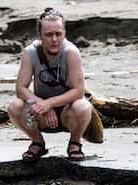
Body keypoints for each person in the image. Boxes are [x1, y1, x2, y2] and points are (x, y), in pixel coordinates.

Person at [7, 7, 94, 161]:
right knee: (15, 106)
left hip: (68, 113)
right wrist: (42, 105)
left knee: (83, 106)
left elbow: (78, 91)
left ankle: (75, 143)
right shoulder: (30, 52)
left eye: (58, 34)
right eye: (48, 35)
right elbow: (21, 89)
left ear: (64, 33)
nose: (54, 39)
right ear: (40, 35)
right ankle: (37, 142)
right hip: (40, 113)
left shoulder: (71, 52)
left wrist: (51, 103)